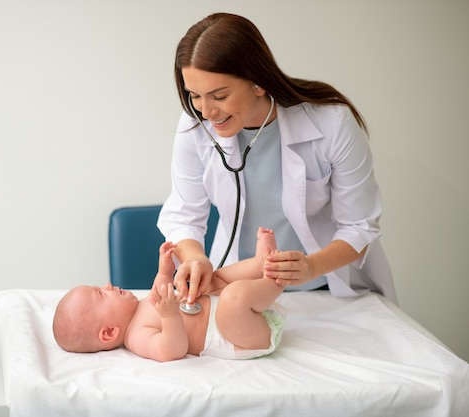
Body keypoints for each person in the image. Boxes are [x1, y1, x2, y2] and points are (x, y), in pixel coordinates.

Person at [157, 12, 396, 306]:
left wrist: (311, 267)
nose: (206, 111)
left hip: (324, 290)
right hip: (236, 291)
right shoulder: (194, 126)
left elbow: (360, 226)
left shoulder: (331, 123)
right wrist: (194, 258)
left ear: (258, 82)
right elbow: (184, 214)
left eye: (219, 96)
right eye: (194, 95)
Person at [53, 227, 285, 362]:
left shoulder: (142, 305)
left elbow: (161, 288)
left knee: (215, 278)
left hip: (236, 315)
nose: (107, 285)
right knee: (232, 298)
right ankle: (275, 280)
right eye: (101, 295)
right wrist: (170, 316)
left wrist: (165, 269)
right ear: (109, 332)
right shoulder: (136, 336)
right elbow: (171, 351)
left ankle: (258, 264)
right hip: (241, 337)